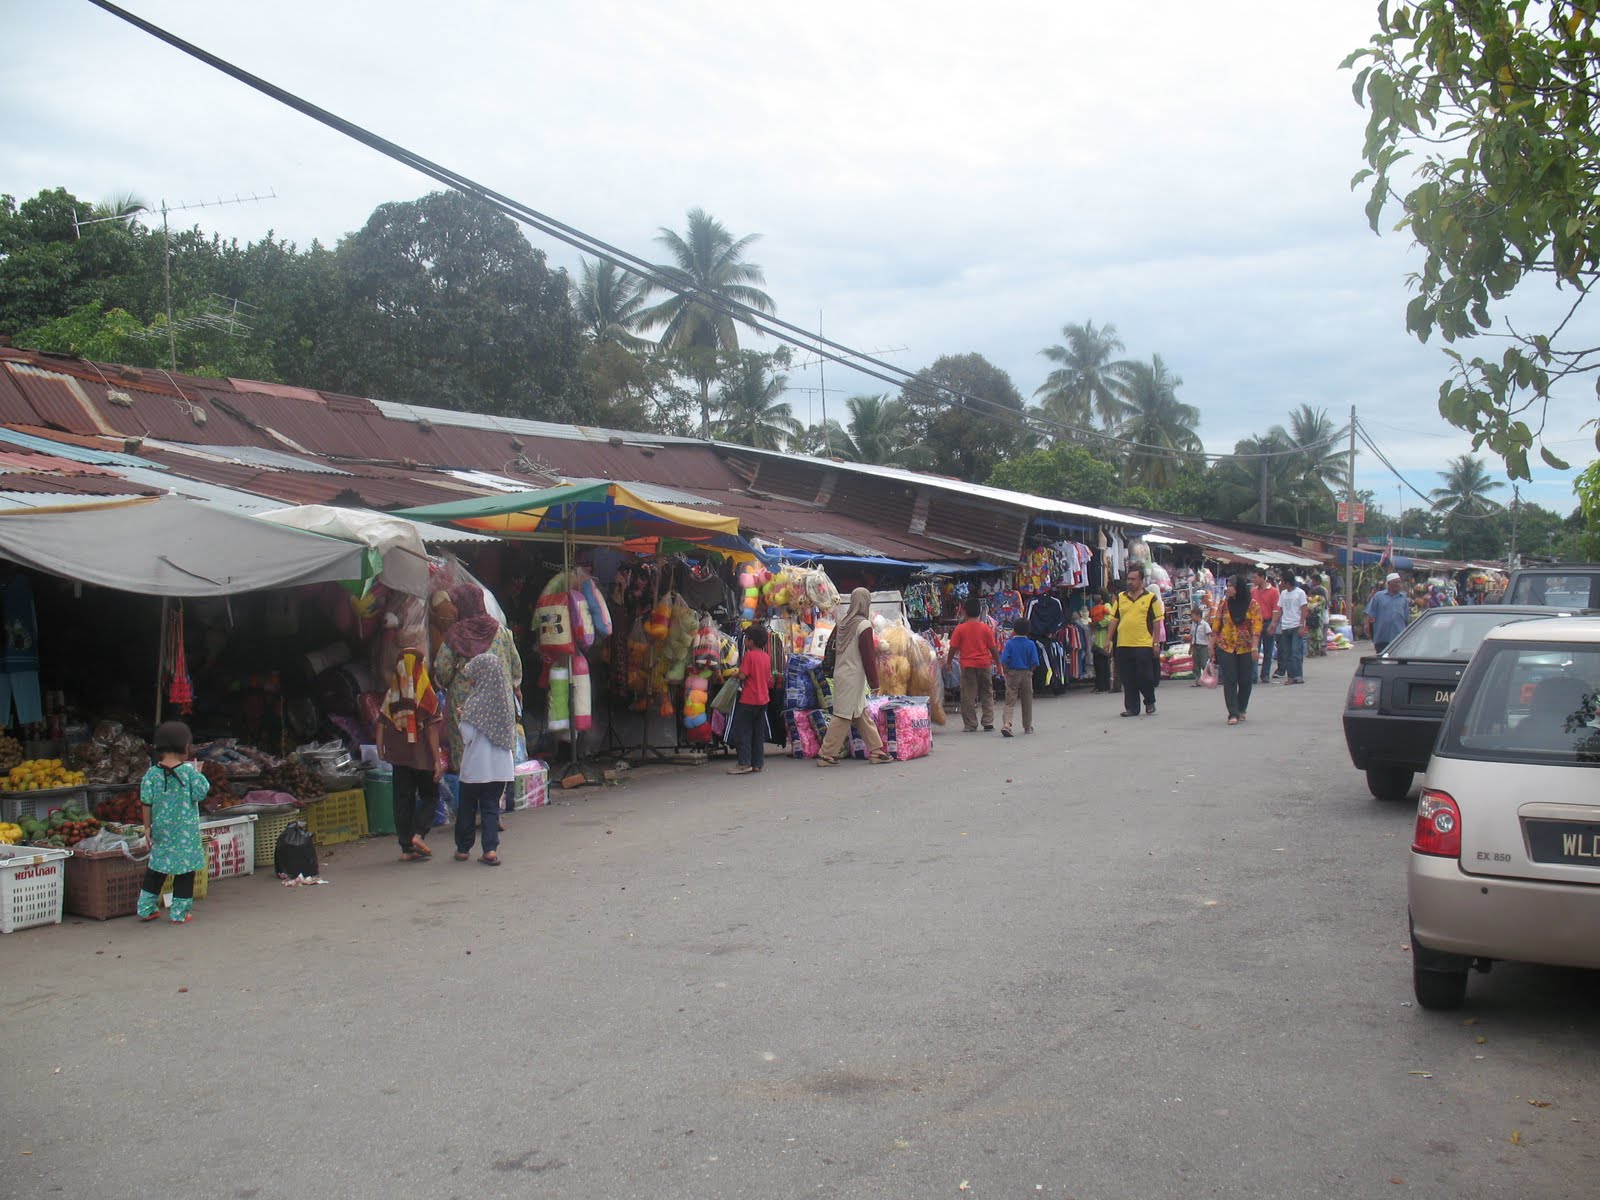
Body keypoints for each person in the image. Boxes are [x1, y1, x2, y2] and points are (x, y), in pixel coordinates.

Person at [433, 582, 523, 816]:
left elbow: (442, 670)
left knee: (468, 759)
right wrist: (515, 687)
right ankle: (493, 811)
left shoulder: (455, 634)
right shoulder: (501, 632)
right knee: (498, 755)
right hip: (498, 706)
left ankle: (472, 812)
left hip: (466, 708)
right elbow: (515, 666)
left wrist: (447, 679)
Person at [136, 720, 210, 924]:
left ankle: (145, 909)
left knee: (156, 869)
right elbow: (202, 793)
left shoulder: (151, 774)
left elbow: (146, 803)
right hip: (186, 834)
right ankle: (179, 913)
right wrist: (199, 773)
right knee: (185, 873)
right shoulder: (189, 773)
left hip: (161, 831)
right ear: (186, 747)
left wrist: (147, 828)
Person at [377, 647, 444, 862]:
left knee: (402, 800)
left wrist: (381, 749)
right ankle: (418, 835)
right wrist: (436, 760)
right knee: (430, 796)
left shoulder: (392, 694)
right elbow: (432, 728)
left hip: (399, 758)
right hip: (421, 758)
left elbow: (380, 723)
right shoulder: (426, 693)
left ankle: (406, 848)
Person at [818, 587, 894, 766]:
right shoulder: (864, 625)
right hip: (854, 676)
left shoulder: (843, 622)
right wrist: (874, 682)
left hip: (842, 673)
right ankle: (826, 754)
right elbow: (868, 657)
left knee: (860, 713)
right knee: (843, 715)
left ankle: (876, 750)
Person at [453, 651, 516, 865]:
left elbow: (467, 736)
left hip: (476, 768)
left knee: (467, 808)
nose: (471, 680)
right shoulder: (507, 702)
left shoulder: (474, 703)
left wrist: (463, 716)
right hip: (500, 769)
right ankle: (490, 850)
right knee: (490, 808)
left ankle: (463, 849)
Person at [1108, 564, 1163, 717]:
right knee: (1128, 677)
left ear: (1141, 581)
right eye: (1129, 579)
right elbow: (1114, 620)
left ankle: (1149, 700)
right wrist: (1108, 640)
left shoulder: (1151, 598)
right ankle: (1132, 708)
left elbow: (1157, 622)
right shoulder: (1120, 598)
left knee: (1145, 676)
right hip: (1123, 644)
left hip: (1143, 644)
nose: (1130, 582)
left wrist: (1156, 643)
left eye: (1133, 579)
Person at [1213, 576, 1263, 726]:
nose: (1228, 588)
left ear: (1239, 588)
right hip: (1226, 646)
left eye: (1231, 586)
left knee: (1245, 680)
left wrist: (1254, 647)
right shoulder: (1223, 604)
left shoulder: (1252, 605)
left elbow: (1256, 627)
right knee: (1229, 679)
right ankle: (1232, 713)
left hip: (1245, 647)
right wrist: (1211, 646)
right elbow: (1216, 626)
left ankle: (1242, 708)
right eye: (1227, 585)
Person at [945, 596, 1000, 732]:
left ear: (964, 612)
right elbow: (993, 648)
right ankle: (988, 722)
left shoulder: (960, 629)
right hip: (984, 664)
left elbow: (952, 647)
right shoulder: (986, 628)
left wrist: (949, 662)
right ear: (980, 611)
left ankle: (970, 724)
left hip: (967, 665)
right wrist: (998, 664)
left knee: (968, 695)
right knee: (987, 692)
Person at [727, 623, 773, 775]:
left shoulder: (749, 656)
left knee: (743, 732)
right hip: (763, 700)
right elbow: (768, 679)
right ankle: (757, 763)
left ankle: (744, 763)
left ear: (751, 641)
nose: (744, 641)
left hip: (749, 700)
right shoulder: (766, 657)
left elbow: (743, 675)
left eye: (746, 638)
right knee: (758, 733)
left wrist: (734, 673)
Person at [999, 617, 1039, 737]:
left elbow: (1004, 660)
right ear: (1028, 631)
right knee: (1027, 700)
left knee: (1010, 700)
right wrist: (1030, 672)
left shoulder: (1010, 643)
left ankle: (1007, 724)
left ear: (1014, 630)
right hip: (1026, 673)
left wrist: (1006, 671)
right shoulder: (1031, 644)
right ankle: (1027, 726)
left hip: (1012, 673)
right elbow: (1035, 662)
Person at [1365, 572, 1412, 653]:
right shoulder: (1378, 597)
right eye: (1396, 582)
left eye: (1399, 582)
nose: (1399, 584)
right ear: (1389, 584)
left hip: (1399, 637)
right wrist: (1367, 626)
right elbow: (1370, 615)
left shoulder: (1403, 598)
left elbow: (1406, 618)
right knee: (1382, 662)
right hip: (1382, 638)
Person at [1276, 573, 1309, 685]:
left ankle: (1298, 675)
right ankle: (1291, 676)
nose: (1280, 584)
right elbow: (1280, 609)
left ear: (1287, 583)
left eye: (1282, 581)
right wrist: (1273, 623)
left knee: (1295, 651)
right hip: (1286, 626)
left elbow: (1304, 610)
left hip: (1296, 626)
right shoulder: (1283, 594)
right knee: (1287, 652)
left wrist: (1301, 625)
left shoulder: (1300, 593)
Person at [1251, 568, 1280, 683]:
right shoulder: (1253, 591)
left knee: (1268, 650)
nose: (1254, 580)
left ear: (1263, 577)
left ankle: (1265, 674)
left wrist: (1273, 624)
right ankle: (1253, 675)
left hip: (1268, 621)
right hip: (1255, 623)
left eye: (1256, 577)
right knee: (1254, 649)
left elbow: (1276, 610)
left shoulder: (1273, 592)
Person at [1088, 597, 1113, 693]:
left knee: (1102, 664)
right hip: (1098, 639)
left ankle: (1103, 686)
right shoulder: (1099, 608)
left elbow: (1108, 620)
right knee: (1098, 664)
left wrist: (1096, 624)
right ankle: (1099, 685)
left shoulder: (1106, 606)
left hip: (1103, 640)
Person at [1189, 602, 1212, 686]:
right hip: (1195, 646)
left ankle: (1209, 679)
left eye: (1192, 616)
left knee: (1203, 663)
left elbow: (1209, 635)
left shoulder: (1205, 625)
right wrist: (1190, 647)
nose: (1191, 618)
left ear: (1198, 615)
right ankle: (1197, 680)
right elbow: (1192, 637)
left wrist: (1210, 646)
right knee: (1196, 664)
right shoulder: (1193, 625)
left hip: (1203, 646)